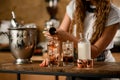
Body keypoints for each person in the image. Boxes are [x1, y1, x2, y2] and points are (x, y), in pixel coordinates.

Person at [40, 0, 120, 79]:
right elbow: (60, 36)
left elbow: (94, 52)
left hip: (100, 69)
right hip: (75, 67)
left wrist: (68, 37)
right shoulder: (74, 5)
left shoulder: (113, 13)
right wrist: (53, 58)